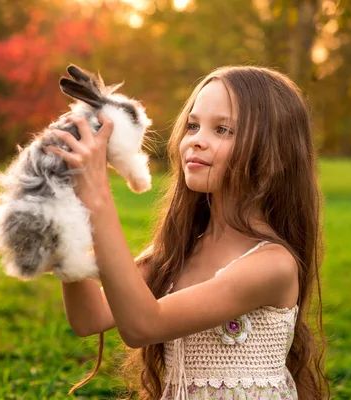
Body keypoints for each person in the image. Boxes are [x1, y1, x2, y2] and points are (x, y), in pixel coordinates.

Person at [44, 65, 329, 399]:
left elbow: (142, 326)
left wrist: (97, 195)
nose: (196, 141)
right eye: (193, 126)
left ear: (275, 156)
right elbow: (88, 317)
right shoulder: (180, 251)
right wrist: (67, 210)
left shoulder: (273, 265)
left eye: (223, 130)